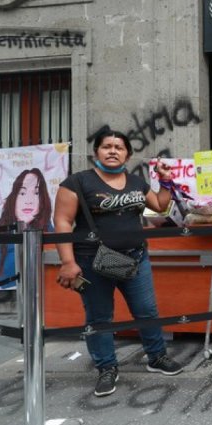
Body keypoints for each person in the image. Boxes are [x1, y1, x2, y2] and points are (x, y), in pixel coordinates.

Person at [53, 130, 183, 397]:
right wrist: (68, 262)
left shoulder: (136, 181)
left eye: (119, 147)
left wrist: (166, 182)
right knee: (100, 317)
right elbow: (63, 222)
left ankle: (156, 357)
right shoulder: (76, 183)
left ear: (128, 154)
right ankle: (106, 368)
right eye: (107, 146)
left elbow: (159, 205)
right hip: (93, 261)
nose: (113, 151)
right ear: (96, 152)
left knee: (147, 312)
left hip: (135, 257)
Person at [0, 168, 53, 289]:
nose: (28, 201)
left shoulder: (49, 230)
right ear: (13, 198)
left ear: (43, 199)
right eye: (22, 193)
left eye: (36, 193)